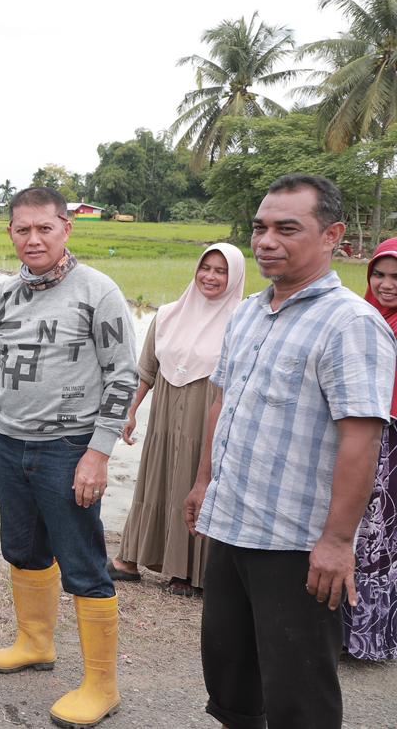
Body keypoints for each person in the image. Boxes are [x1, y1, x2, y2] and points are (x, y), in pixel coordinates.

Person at [183, 175, 395, 729]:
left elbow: (362, 437)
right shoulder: (250, 312)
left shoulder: (352, 324)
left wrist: (337, 542)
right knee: (230, 675)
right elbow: (222, 403)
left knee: (298, 688)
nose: (266, 241)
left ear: (333, 237)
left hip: (296, 543)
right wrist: (205, 483)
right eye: (259, 227)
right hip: (232, 524)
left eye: (286, 228)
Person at [0, 186, 138, 728]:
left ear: (67, 228)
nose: (33, 238)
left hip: (69, 446)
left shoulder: (98, 291)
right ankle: (35, 642)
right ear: (11, 234)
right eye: (23, 229)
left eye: (45, 227)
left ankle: (101, 685)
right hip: (14, 442)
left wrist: (98, 452)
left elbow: (123, 376)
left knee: (84, 563)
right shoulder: (3, 295)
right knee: (22, 549)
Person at [109, 243, 246, 597]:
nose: (210, 277)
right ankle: (131, 557)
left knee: (195, 482)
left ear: (235, 277)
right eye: (206, 268)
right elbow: (146, 370)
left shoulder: (243, 321)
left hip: (210, 415)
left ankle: (188, 571)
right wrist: (131, 411)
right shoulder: (169, 313)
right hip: (166, 415)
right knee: (156, 479)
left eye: (221, 271)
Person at [344, 237, 397, 661]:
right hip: (361, 436)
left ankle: (370, 636)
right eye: (378, 274)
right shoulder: (361, 319)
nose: (386, 284)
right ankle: (343, 630)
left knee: (381, 540)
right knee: (352, 532)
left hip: (392, 443)